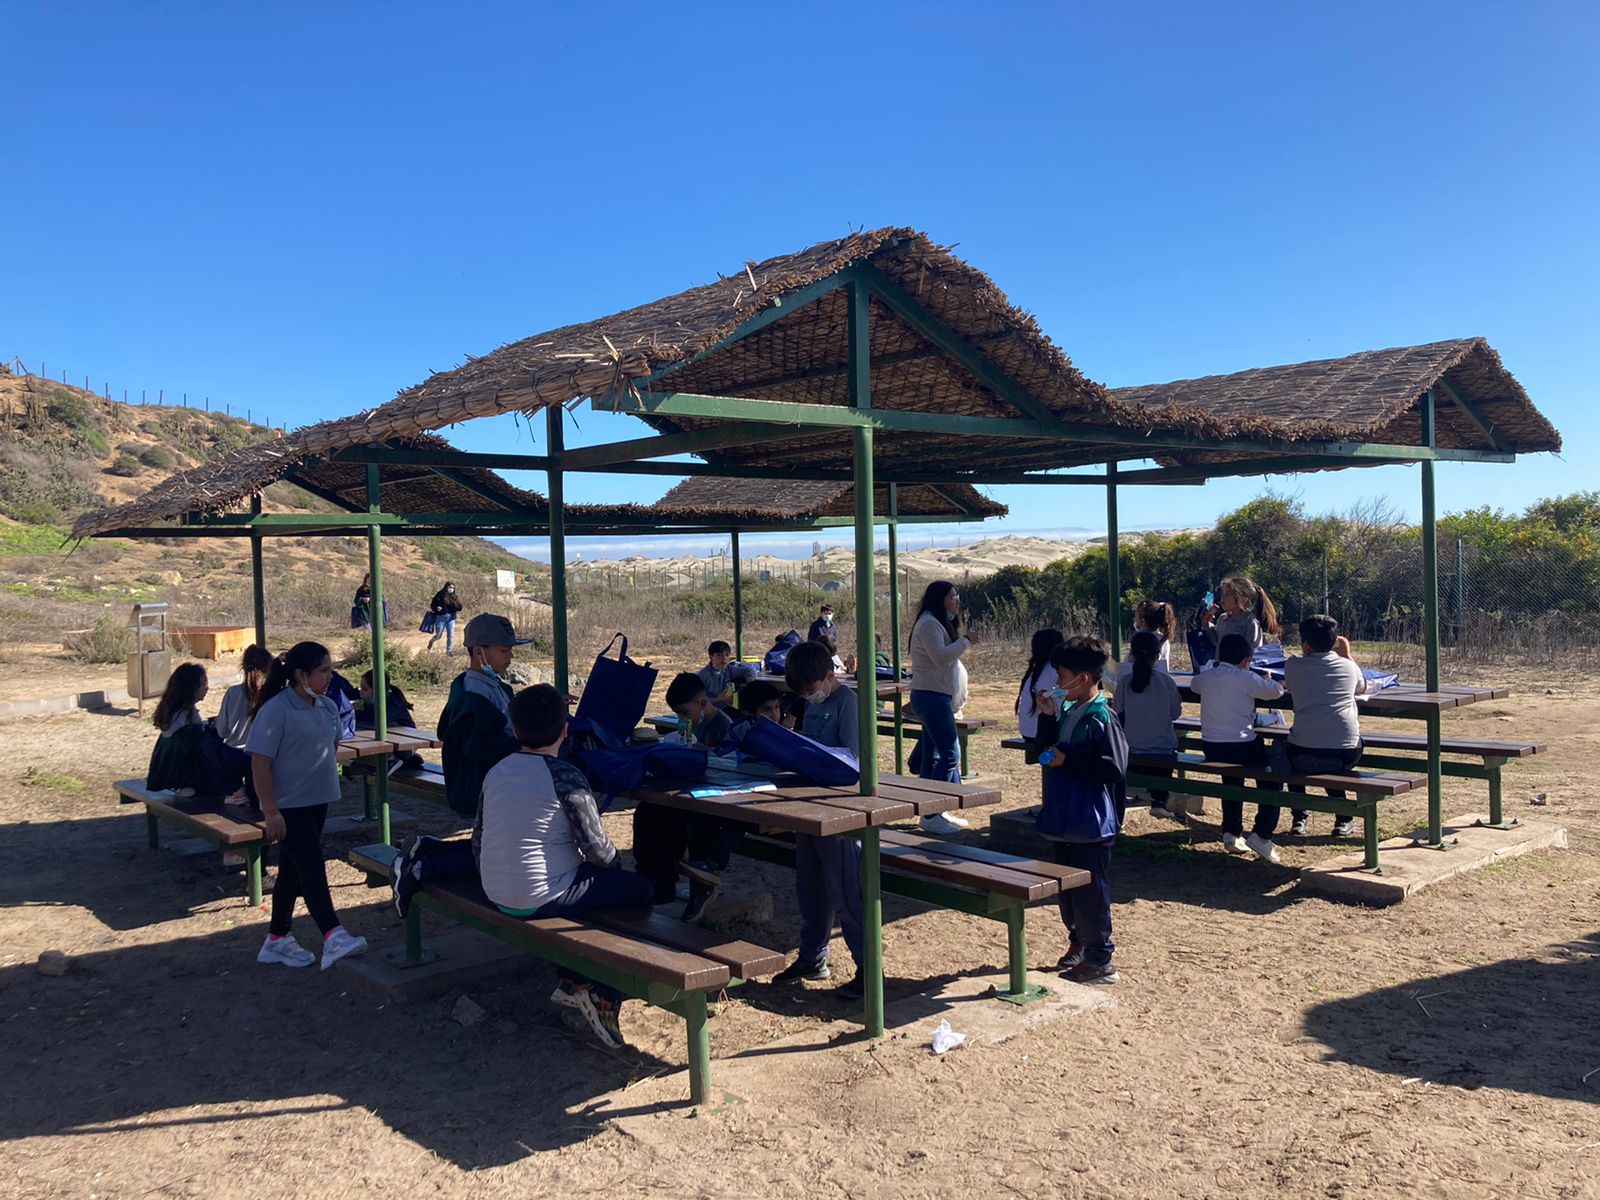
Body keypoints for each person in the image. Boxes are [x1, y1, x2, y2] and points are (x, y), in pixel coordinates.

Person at [476, 684, 654, 1049]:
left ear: (515, 729)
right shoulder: (566, 777)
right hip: (541, 894)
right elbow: (599, 851)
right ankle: (605, 988)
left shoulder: (497, 771)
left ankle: (573, 979)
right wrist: (614, 871)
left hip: (495, 890)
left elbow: (479, 839)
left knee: (591, 894)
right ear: (565, 731)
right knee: (637, 891)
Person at [390, 614, 525, 918]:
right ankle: (420, 868)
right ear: (480, 652)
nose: (510, 655)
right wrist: (530, 744)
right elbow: (482, 747)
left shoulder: (483, 685)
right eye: (504, 650)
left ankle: (426, 849)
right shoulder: (474, 695)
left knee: (492, 845)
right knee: (498, 852)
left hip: (490, 786)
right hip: (481, 786)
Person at [247, 641, 368, 970]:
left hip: (318, 801)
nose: (330, 676)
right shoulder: (276, 710)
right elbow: (260, 763)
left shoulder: (327, 706)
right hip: (289, 805)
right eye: (324, 670)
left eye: (331, 669)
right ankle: (333, 935)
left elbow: (330, 746)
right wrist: (270, 811)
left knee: (291, 872)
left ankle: (277, 939)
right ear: (301, 674)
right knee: (313, 867)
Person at [771, 641, 866, 1001]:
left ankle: (867, 969)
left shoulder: (848, 703)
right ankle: (813, 957)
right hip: (810, 807)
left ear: (830, 676)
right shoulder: (816, 703)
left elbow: (854, 759)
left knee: (845, 893)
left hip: (840, 810)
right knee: (810, 889)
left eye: (811, 691)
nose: (809, 698)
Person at [1034, 636, 1127, 986]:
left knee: (1091, 891)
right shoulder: (1069, 712)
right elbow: (1044, 755)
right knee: (1067, 889)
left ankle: (1101, 959)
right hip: (1063, 817)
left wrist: (1069, 760)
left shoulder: (1103, 718)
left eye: (1062, 676)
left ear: (1083, 678)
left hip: (1090, 821)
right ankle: (1079, 941)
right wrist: (1046, 721)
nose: (1057, 684)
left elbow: (1113, 768)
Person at [633, 673, 739, 921]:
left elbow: (729, 768)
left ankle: (699, 890)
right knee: (648, 812)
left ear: (703, 704)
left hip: (713, 798)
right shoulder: (688, 727)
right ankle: (654, 882)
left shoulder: (724, 727)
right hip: (687, 790)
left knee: (693, 823)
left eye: (683, 711)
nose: (681, 718)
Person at [1190, 633, 1287, 863]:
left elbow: (1194, 685)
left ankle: (1231, 832)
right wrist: (1272, 680)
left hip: (1212, 746)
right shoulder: (1246, 678)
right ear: (1246, 660)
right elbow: (1276, 692)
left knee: (1231, 780)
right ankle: (1262, 834)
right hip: (1243, 745)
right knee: (1271, 778)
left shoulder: (1207, 676)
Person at [1273, 615, 1368, 839]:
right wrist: (1347, 655)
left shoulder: (1293, 665)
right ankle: (1343, 819)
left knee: (1290, 751)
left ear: (1305, 644)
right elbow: (1362, 687)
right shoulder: (1347, 666)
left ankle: (1299, 817)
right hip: (1347, 750)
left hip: (1304, 750)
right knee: (1331, 762)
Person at [908, 580, 980, 833]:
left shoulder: (936, 621)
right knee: (951, 753)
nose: (957, 600)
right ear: (940, 599)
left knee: (932, 755)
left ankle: (931, 810)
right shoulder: (928, 623)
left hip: (937, 696)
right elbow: (940, 657)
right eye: (952, 596)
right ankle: (931, 813)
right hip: (931, 697)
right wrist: (966, 641)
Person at [1111, 631, 1184, 818]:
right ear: (1158, 656)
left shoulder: (1125, 682)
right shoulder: (1167, 682)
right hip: (1162, 750)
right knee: (1164, 750)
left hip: (1132, 749)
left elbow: (1118, 714)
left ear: (1131, 655)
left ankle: (1142, 795)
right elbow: (1175, 714)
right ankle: (1159, 799)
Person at [213, 643, 274, 805]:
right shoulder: (273, 696)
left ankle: (236, 791)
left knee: (209, 745)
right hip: (261, 757)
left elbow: (222, 731)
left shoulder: (232, 693)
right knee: (257, 797)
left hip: (233, 756)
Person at [147, 662, 217, 795]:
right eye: (203, 684)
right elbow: (200, 747)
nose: (207, 688)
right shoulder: (186, 716)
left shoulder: (174, 711)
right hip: (185, 780)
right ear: (191, 687)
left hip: (171, 775)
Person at [1016, 628, 1065, 758]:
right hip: (1041, 734)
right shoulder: (1055, 671)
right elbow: (1064, 699)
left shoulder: (1035, 670)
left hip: (1027, 732)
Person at [1203, 575, 1281, 652]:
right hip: (1222, 664)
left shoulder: (1249, 622)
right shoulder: (1222, 618)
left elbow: (1254, 649)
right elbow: (1217, 641)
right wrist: (1206, 623)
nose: (1222, 598)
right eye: (1223, 594)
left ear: (1241, 599)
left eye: (1227, 594)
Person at [1126, 600, 1177, 668]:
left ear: (1143, 620)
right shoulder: (1163, 640)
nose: (1134, 619)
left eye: (1136, 616)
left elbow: (1128, 665)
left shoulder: (1140, 639)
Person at [426, 581, 463, 655]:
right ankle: (431, 642)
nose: (451, 589)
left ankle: (449, 651)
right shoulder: (440, 594)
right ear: (446, 587)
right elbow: (433, 604)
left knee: (450, 635)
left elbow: (460, 606)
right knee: (438, 635)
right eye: (450, 587)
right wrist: (437, 607)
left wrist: (457, 606)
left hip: (451, 618)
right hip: (441, 617)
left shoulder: (454, 596)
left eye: (453, 588)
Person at [696, 641, 737, 708]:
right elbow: (697, 702)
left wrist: (749, 679)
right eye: (719, 655)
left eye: (727, 655)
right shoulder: (703, 676)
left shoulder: (728, 669)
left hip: (727, 709)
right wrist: (718, 700)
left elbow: (748, 671)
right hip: (710, 712)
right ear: (711, 657)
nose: (724, 658)